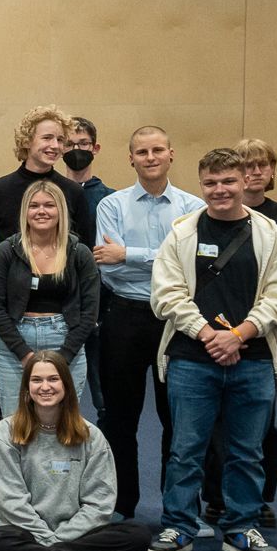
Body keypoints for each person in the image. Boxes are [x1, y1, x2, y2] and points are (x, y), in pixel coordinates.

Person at [146, 147, 277, 551]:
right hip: (191, 360)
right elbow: (167, 295)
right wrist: (207, 334)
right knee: (186, 448)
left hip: (252, 361)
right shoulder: (182, 233)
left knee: (248, 450)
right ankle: (179, 524)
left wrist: (238, 335)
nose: (220, 190)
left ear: (245, 182)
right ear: (202, 186)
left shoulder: (271, 235)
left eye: (228, 181)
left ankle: (241, 527)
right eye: (211, 183)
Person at [92, 125, 202, 520]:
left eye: (157, 150)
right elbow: (109, 268)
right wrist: (155, 259)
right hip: (124, 317)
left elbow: (190, 267)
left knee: (178, 419)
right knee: (120, 418)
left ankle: (179, 509)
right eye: (142, 152)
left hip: (174, 320)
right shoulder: (112, 205)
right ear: (131, 158)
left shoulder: (192, 207)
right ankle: (121, 506)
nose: (150, 157)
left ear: (171, 154)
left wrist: (130, 255)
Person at [0, 351, 153, 551]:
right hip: (24, 531)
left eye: (53, 379)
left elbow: (100, 504)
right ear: (26, 388)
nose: (45, 387)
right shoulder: (6, 431)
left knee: (138, 536)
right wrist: (45, 536)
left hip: (76, 532)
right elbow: (11, 501)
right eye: (36, 380)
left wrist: (57, 540)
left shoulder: (91, 436)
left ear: (66, 386)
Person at [0, 178, 97, 418]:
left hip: (67, 344)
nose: (41, 211)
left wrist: (63, 357)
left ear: (61, 211)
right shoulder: (6, 251)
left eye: (49, 205)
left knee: (64, 425)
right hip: (15, 347)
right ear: (25, 212)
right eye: (34, 206)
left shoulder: (79, 253)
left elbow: (89, 312)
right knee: (16, 425)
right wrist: (24, 354)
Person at [0, 106, 94, 265]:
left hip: (60, 285)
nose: (55, 146)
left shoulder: (74, 192)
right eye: (47, 138)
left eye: (60, 140)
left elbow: (86, 251)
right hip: (10, 285)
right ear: (26, 141)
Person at [62, 118, 111, 417]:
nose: (76, 150)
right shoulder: (47, 195)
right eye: (69, 144)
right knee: (54, 390)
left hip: (100, 304)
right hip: (58, 303)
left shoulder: (110, 199)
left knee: (104, 393)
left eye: (82, 144)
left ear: (95, 148)